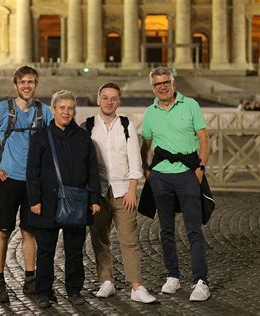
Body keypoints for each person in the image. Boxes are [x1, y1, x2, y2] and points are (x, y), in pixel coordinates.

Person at [0, 66, 53, 303]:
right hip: (8, 180)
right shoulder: (1, 109)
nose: (27, 86)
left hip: (33, 183)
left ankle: (30, 279)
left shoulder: (43, 112)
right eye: (23, 82)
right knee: (3, 232)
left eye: (31, 82)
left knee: (30, 232)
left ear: (36, 85)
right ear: (15, 85)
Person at [140, 67, 211, 302]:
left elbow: (203, 138)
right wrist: (146, 169)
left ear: (173, 83)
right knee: (166, 230)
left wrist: (200, 168)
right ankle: (172, 276)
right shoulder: (150, 112)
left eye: (166, 82)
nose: (162, 86)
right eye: (157, 84)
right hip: (161, 176)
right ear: (153, 87)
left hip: (187, 174)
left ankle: (201, 281)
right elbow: (146, 143)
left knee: (193, 229)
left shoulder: (190, 105)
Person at [26, 90, 101, 309]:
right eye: (62, 108)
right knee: (46, 251)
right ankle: (43, 292)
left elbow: (92, 170)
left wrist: (94, 199)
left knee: (75, 251)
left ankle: (74, 290)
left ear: (74, 110)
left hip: (76, 201)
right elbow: (33, 171)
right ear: (54, 110)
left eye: (70, 108)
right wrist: (34, 201)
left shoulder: (83, 137)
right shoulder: (41, 136)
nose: (66, 112)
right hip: (46, 203)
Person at [86, 83, 156, 303]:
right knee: (99, 238)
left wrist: (133, 190)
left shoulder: (126, 125)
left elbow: (135, 160)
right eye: (105, 97)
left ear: (119, 101)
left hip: (123, 190)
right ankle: (106, 281)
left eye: (113, 98)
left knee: (129, 239)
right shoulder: (87, 126)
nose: (109, 102)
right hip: (98, 191)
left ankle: (136, 286)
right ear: (98, 100)